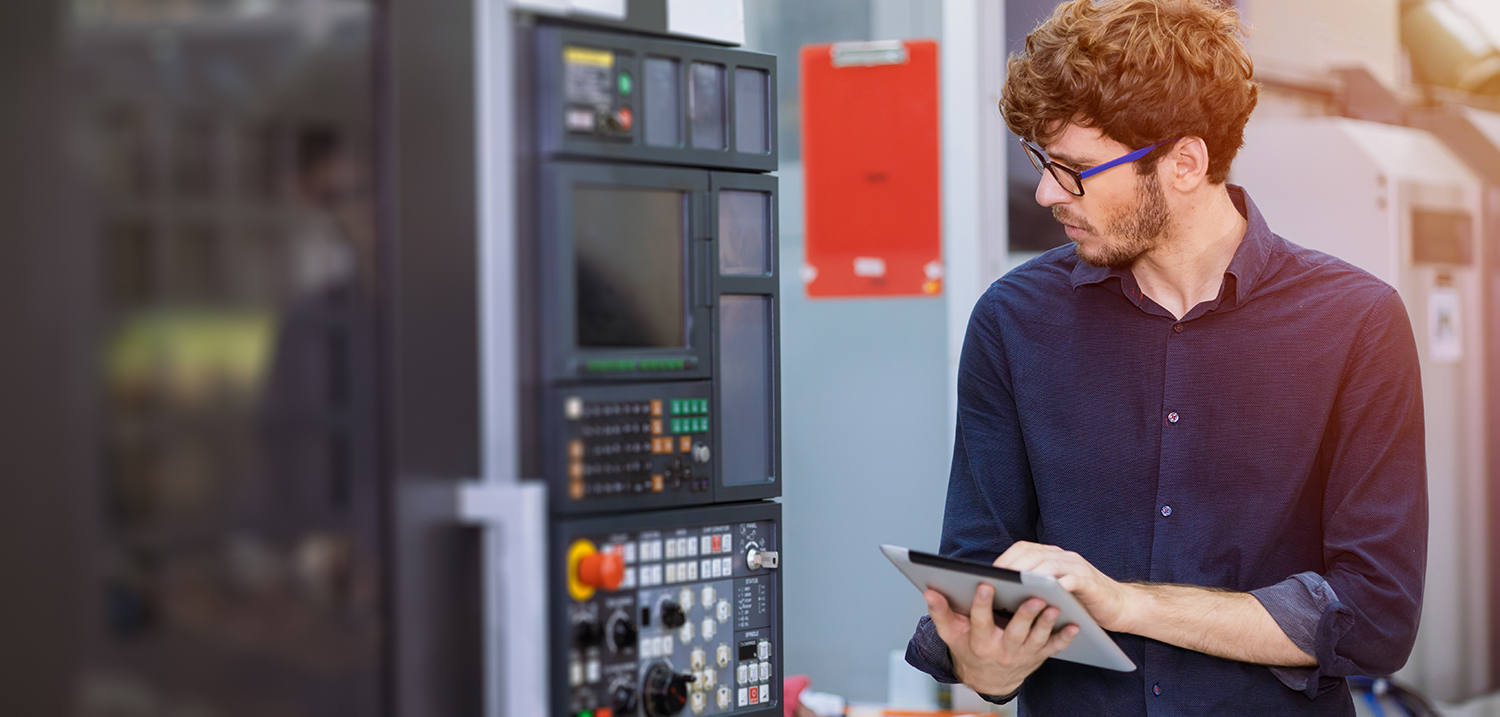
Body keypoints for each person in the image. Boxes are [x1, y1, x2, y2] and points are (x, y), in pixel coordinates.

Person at [904, 1, 1427, 714]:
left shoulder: (1356, 323)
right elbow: (977, 585)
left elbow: (1373, 617)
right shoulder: (1012, 321)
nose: (1046, 192)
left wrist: (1125, 605)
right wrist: (990, 667)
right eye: (1042, 160)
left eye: (1076, 169)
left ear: (1185, 163)